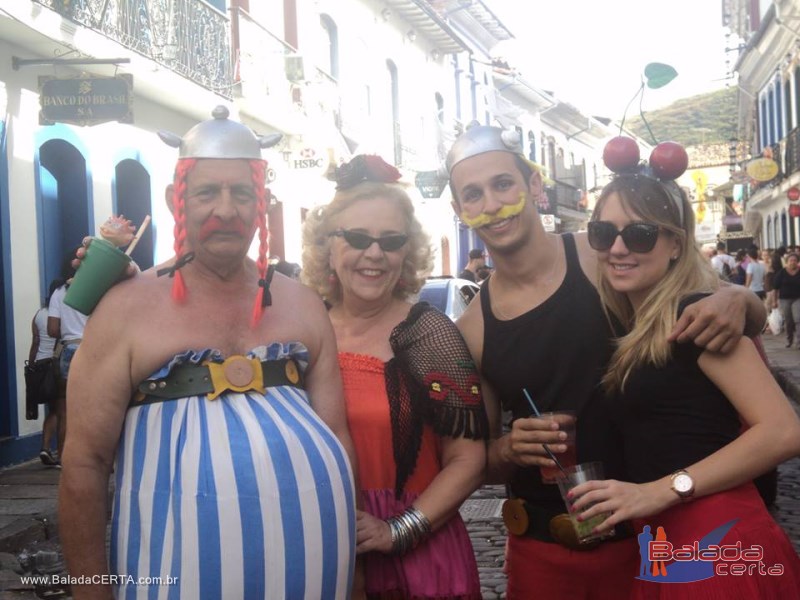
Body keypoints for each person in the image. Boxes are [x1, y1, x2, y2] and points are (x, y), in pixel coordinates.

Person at [445, 125, 767, 599]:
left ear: (534, 186)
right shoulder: (471, 330)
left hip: (649, 536)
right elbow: (480, 460)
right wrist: (510, 448)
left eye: (503, 184)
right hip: (543, 549)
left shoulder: (605, 254)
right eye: (473, 194)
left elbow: (701, 301)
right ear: (459, 210)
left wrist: (741, 299)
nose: (492, 205)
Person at [59, 107, 358, 599]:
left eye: (243, 193)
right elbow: (85, 464)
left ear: (262, 202)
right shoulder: (125, 309)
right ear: (175, 200)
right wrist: (91, 592)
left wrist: (354, 570)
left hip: (314, 570)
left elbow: (338, 438)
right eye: (206, 192)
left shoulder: (302, 303)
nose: (227, 209)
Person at [569, 167, 800, 598]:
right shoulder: (638, 322)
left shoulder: (696, 316)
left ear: (675, 244)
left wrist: (660, 491)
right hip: (668, 548)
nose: (618, 248)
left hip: (715, 546)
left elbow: (783, 432)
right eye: (603, 232)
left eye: (639, 234)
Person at [301, 154, 488, 599]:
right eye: (358, 237)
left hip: (416, 562)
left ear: (406, 253)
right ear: (328, 246)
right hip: (322, 553)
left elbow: (468, 460)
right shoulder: (303, 332)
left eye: (390, 241)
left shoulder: (428, 336)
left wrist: (397, 531)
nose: (374, 253)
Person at [47, 256, 88, 462]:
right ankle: (97, 460)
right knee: (94, 405)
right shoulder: (94, 289)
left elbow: (52, 329)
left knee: (64, 408)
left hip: (67, 350)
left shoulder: (59, 292)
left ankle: (63, 459)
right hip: (90, 350)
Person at [29, 279, 61, 466]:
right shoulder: (61, 313)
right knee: (61, 409)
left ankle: (45, 447)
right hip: (56, 363)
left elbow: (35, 341)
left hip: (41, 364)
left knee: (52, 409)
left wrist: (32, 365)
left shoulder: (39, 314)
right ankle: (60, 453)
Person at [773, 252, 800, 348]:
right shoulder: (781, 273)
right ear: (787, 262)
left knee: (798, 319)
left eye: (795, 260)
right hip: (785, 299)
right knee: (789, 321)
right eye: (791, 260)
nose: (793, 262)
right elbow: (775, 288)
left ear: (797, 262)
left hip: (798, 298)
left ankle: (799, 341)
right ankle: (789, 340)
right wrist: (774, 301)